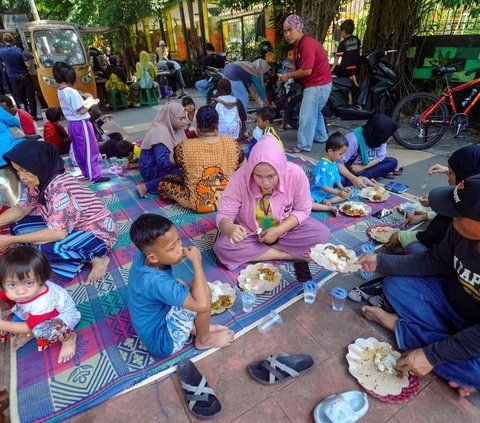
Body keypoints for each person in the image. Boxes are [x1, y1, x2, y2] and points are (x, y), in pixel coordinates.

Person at [359, 174, 480, 397]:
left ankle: (400, 328)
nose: (452, 217)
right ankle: (451, 351)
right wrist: (381, 261)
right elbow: (431, 261)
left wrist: (431, 356)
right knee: (396, 285)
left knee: (476, 371)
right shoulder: (458, 230)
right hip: (448, 302)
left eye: (459, 215)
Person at [0, 141, 117, 285]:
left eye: (25, 170)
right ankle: (73, 253)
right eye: (17, 171)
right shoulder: (41, 179)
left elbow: (58, 234)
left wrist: (10, 240)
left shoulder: (60, 188)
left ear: (39, 163)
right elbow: (22, 208)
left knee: (44, 249)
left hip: (97, 234)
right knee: (18, 226)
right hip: (69, 226)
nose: (21, 177)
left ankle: (98, 259)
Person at [213, 133, 330, 271]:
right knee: (222, 247)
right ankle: (286, 254)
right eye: (258, 176)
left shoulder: (295, 174)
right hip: (250, 232)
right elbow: (225, 213)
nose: (265, 182)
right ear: (251, 171)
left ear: (280, 169)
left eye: (271, 176)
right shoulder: (240, 177)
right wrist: (229, 228)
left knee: (322, 234)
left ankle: (259, 250)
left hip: (285, 229)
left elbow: (302, 210)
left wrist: (279, 230)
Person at [128, 213, 234, 358]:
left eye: (178, 239)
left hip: (151, 325)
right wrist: (196, 261)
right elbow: (202, 304)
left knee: (183, 284)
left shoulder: (143, 256)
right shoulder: (157, 282)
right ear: (153, 257)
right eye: (172, 248)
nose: (180, 248)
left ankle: (193, 327)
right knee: (204, 293)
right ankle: (204, 339)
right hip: (163, 342)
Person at [386, 145, 480, 254]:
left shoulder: (464, 208)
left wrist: (400, 237)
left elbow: (431, 236)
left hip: (452, 260)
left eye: (450, 172)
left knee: (414, 247)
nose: (448, 178)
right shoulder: (471, 191)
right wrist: (424, 216)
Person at [0, 246, 80, 363]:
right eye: (12, 285)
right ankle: (28, 333)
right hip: (30, 314)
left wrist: (2, 324)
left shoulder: (43, 301)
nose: (20, 291)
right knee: (6, 329)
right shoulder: (14, 290)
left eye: (29, 283)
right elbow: (6, 304)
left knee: (42, 331)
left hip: (60, 318)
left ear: (41, 279)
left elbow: (31, 327)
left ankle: (69, 338)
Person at [158, 106, 245, 213]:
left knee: (164, 182)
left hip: (199, 204)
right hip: (228, 198)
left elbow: (171, 159)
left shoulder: (185, 146)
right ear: (217, 124)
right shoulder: (231, 142)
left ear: (197, 125)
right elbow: (245, 166)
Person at [279, 15, 332, 153]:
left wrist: (288, 76)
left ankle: (303, 145)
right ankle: (321, 136)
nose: (287, 34)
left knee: (306, 115)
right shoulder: (298, 46)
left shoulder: (306, 44)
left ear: (298, 28)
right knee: (315, 112)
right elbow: (301, 67)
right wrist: (288, 71)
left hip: (318, 85)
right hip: (317, 84)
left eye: (290, 30)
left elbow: (307, 71)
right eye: (285, 31)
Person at [53, 61, 109, 183]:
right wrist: (91, 102)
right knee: (90, 150)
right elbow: (82, 110)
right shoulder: (71, 92)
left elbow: (75, 108)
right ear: (69, 76)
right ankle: (95, 176)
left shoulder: (60, 90)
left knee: (79, 150)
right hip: (81, 124)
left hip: (72, 124)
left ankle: (87, 173)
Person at [136, 102, 186, 198]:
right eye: (181, 118)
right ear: (171, 117)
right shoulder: (160, 132)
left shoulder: (175, 128)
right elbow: (163, 163)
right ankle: (146, 187)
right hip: (150, 169)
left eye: (184, 118)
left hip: (163, 165)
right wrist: (182, 161)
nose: (183, 122)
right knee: (183, 174)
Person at [337, 114, 399, 188]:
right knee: (340, 180)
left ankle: (363, 178)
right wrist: (353, 178)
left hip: (364, 166)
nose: (390, 138)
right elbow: (338, 163)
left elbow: (380, 158)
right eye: (389, 135)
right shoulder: (352, 140)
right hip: (349, 168)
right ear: (379, 133)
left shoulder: (380, 138)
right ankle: (360, 179)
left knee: (392, 162)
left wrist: (362, 167)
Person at [311, 132, 351, 213]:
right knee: (307, 203)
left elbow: (337, 179)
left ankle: (326, 201)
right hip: (316, 192)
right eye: (340, 154)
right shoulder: (322, 166)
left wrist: (342, 188)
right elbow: (322, 186)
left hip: (328, 193)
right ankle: (325, 205)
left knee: (348, 194)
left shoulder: (333, 163)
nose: (342, 156)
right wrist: (338, 192)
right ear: (330, 151)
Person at [0, 33, 37, 119]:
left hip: (13, 79)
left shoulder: (1, 52)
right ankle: (33, 115)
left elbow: (3, 64)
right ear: (13, 40)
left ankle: (24, 115)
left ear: (4, 41)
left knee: (20, 98)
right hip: (24, 76)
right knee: (30, 97)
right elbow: (25, 63)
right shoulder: (18, 50)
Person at [280, 46, 295, 130]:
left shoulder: (295, 63)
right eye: (290, 55)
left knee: (291, 104)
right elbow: (290, 67)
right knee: (284, 104)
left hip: (293, 87)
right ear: (286, 56)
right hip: (286, 87)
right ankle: (283, 123)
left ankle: (288, 122)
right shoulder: (285, 63)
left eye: (293, 54)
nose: (292, 56)